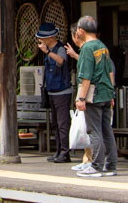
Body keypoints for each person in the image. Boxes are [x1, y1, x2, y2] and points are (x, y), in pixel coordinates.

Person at [71, 15, 118, 177]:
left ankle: (96, 166)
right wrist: (111, 93)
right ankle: (111, 165)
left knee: (94, 131)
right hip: (106, 93)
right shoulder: (103, 47)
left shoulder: (87, 48)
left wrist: (81, 98)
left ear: (81, 31)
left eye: (77, 29)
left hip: (94, 95)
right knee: (107, 130)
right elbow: (110, 72)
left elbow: (86, 77)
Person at [35, 24, 76, 163]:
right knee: (55, 124)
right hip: (52, 91)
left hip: (62, 92)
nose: (41, 41)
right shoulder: (50, 50)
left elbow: (61, 61)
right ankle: (58, 151)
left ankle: (65, 152)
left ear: (51, 38)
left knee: (63, 123)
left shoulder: (60, 48)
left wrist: (47, 52)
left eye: (43, 38)